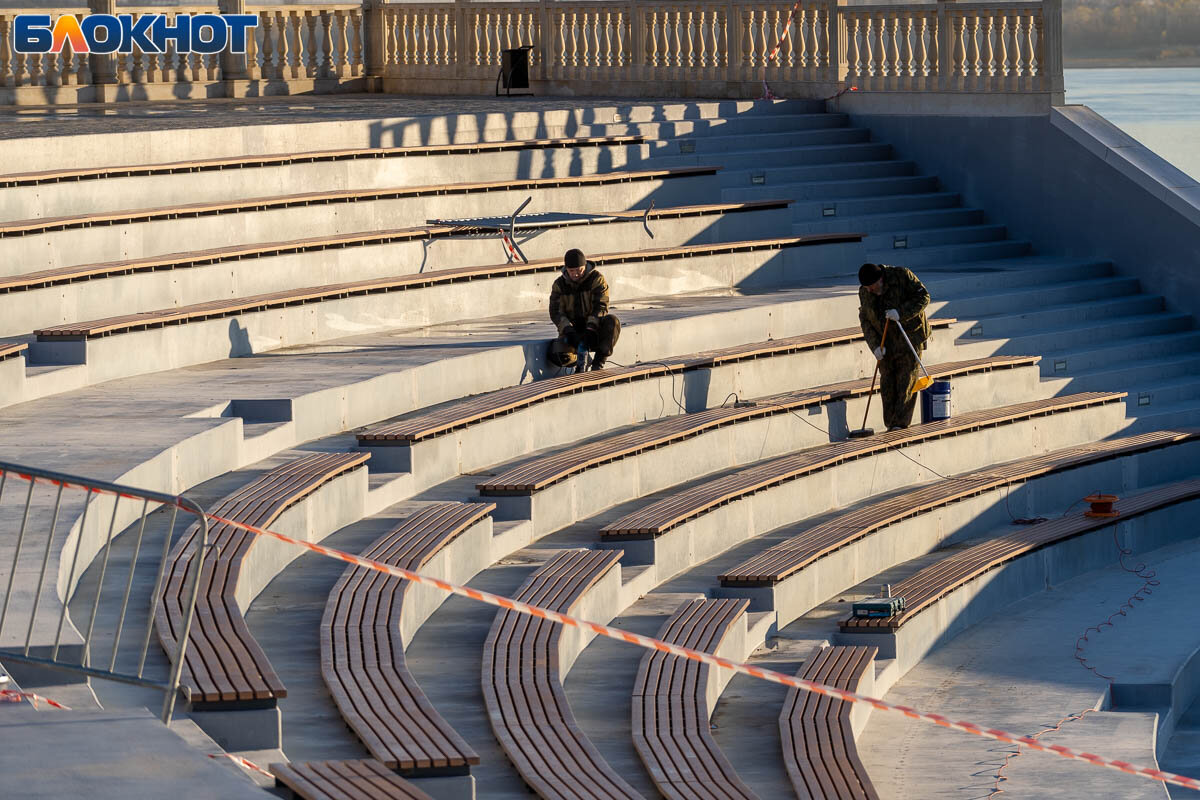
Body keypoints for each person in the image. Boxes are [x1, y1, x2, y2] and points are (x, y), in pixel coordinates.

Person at [857, 262, 931, 430]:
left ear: (880, 279)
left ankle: (900, 426)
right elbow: (865, 320)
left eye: (872, 286)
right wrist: (875, 346)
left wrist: (901, 313)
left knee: (906, 383)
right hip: (885, 343)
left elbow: (924, 297)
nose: (870, 290)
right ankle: (890, 425)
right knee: (888, 384)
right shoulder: (865, 292)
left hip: (909, 339)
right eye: (867, 287)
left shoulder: (902, 276)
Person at [547, 248, 621, 371]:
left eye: (579, 270)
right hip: (572, 331)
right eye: (572, 271)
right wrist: (568, 330)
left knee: (612, 322)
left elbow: (601, 306)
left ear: (585, 266)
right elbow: (555, 312)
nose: (576, 274)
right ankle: (582, 359)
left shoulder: (597, 279)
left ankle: (598, 363)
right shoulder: (559, 285)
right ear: (566, 269)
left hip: (594, 329)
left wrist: (591, 328)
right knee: (558, 354)